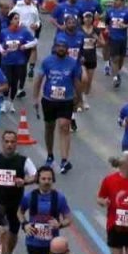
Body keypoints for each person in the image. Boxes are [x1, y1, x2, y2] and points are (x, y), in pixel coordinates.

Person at [19, 165, 73, 254]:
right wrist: (25, 224)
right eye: (43, 179)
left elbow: (69, 219)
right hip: (33, 243)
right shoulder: (29, 197)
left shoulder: (59, 198)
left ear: (52, 180)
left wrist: (59, 224)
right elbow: (19, 212)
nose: (46, 182)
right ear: (38, 180)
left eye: (49, 179)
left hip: (52, 245)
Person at [37, 38, 82, 174]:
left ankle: (64, 160)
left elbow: (77, 82)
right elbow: (39, 79)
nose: (61, 48)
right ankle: (50, 155)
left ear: (67, 49)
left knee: (64, 126)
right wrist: (35, 98)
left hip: (66, 100)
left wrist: (79, 99)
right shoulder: (47, 61)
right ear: (55, 47)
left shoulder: (73, 63)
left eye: (64, 46)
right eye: (59, 46)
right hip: (49, 99)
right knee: (49, 127)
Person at [102, 0, 128, 88]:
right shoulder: (110, 11)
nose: (114, 2)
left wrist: (125, 25)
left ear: (122, 1)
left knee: (121, 59)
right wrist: (107, 29)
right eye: (114, 0)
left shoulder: (127, 12)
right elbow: (107, 22)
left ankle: (117, 72)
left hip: (123, 39)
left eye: (117, 0)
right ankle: (115, 77)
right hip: (113, 38)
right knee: (115, 58)